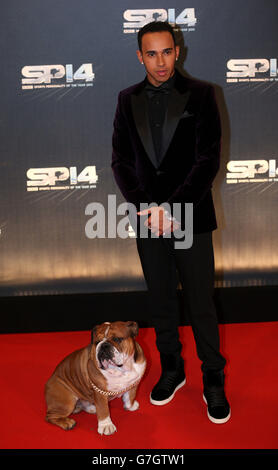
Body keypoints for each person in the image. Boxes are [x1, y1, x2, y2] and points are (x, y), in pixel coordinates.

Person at [111, 21, 230, 424]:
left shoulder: (203, 94)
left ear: (177, 51)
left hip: (191, 216)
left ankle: (213, 376)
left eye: (167, 52)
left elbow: (207, 160)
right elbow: (121, 162)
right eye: (151, 53)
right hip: (147, 219)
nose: (160, 62)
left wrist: (172, 209)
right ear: (139, 55)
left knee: (201, 303)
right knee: (161, 300)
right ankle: (173, 370)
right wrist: (148, 209)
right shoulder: (126, 100)